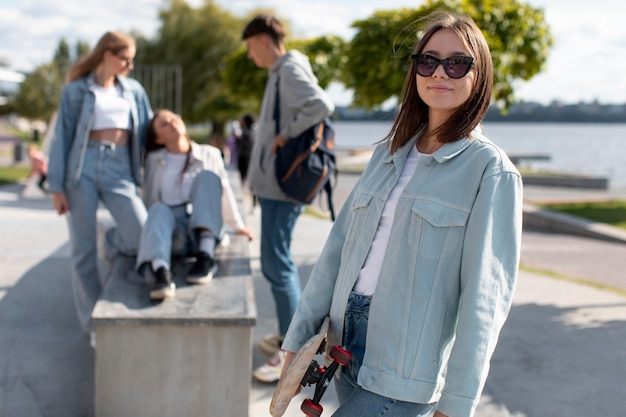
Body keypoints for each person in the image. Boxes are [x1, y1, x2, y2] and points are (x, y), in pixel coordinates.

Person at [280, 11, 523, 417]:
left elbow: (486, 300)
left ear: (478, 74)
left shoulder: (490, 170)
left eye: (457, 62)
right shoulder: (387, 153)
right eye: (427, 61)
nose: (439, 72)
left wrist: (458, 403)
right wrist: (298, 339)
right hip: (343, 346)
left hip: (408, 365)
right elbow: (336, 253)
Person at [241, 14, 335, 382]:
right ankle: (289, 339)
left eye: (250, 48)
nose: (250, 56)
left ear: (264, 40)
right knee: (274, 264)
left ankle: (293, 356)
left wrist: (285, 134)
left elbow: (320, 104)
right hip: (278, 186)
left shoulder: (289, 69)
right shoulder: (281, 71)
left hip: (282, 188)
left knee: (277, 266)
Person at [47, 31, 153, 340]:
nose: (130, 65)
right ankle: (93, 325)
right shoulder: (76, 91)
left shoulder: (133, 90)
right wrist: (57, 188)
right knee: (83, 250)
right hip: (82, 169)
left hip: (120, 166)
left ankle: (112, 241)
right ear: (107, 53)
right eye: (125, 58)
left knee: (142, 233)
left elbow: (147, 130)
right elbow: (62, 138)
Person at [136, 109, 255, 300]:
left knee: (208, 177)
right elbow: (148, 200)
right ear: (158, 139)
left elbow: (222, 192)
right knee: (158, 208)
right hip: (174, 236)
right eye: (164, 124)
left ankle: (205, 259)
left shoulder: (211, 154)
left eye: (174, 118)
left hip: (203, 233)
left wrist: (238, 226)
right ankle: (161, 273)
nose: (172, 123)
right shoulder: (154, 161)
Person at [235, 113, 255, 185]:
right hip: (252, 157)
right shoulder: (255, 132)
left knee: (243, 179)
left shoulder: (243, 132)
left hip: (244, 158)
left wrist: (237, 138)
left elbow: (240, 145)